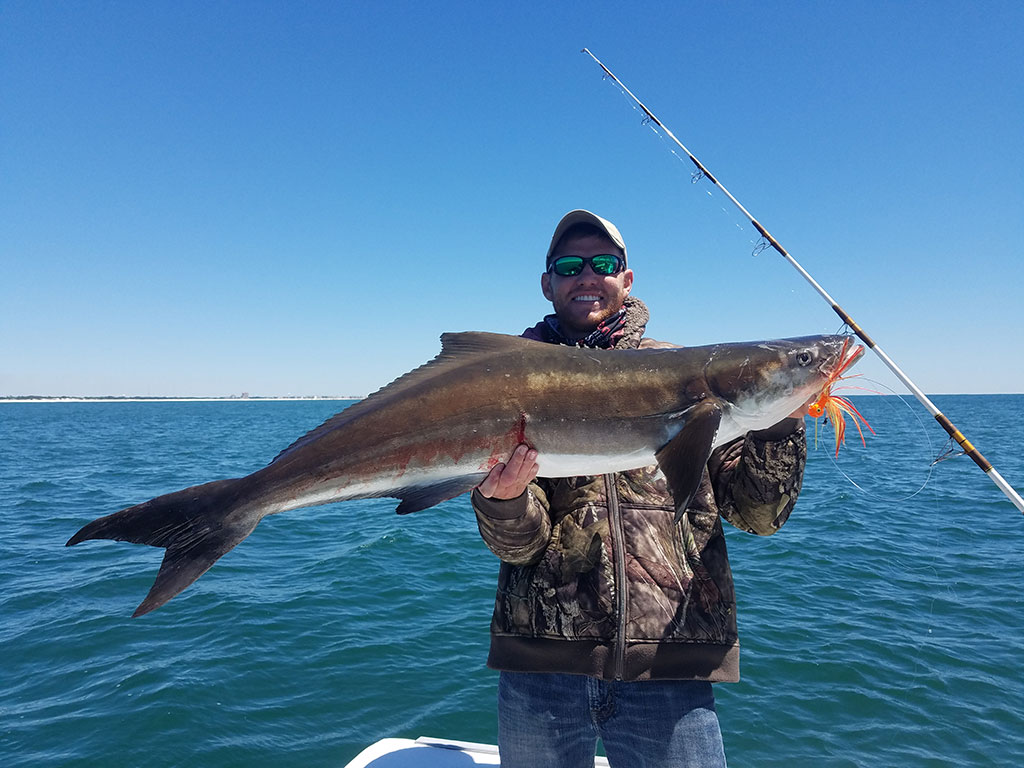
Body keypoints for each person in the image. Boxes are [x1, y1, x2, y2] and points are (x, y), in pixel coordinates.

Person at [471, 210, 810, 768]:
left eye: (604, 263)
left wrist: (778, 419)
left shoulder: (691, 375)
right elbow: (519, 548)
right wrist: (503, 500)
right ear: (547, 282)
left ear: (627, 279)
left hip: (670, 669)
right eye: (569, 265)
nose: (587, 276)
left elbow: (759, 516)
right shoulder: (510, 384)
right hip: (542, 668)